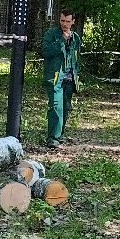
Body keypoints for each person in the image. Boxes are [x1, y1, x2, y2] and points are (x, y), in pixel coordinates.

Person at [41, 8, 81, 149]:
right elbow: (46, 52)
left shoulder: (76, 38)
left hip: (69, 78)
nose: (64, 24)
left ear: (73, 22)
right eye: (62, 20)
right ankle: (52, 138)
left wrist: (76, 76)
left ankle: (60, 134)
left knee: (65, 107)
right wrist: (61, 41)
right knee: (55, 106)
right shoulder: (51, 34)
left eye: (67, 21)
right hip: (55, 77)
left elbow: (76, 58)